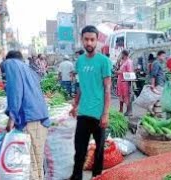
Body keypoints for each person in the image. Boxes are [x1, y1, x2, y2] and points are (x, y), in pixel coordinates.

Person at [69, 25, 112, 180]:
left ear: (96, 40)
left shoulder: (104, 61)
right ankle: (76, 177)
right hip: (83, 113)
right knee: (79, 151)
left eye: (92, 39)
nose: (89, 42)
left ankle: (97, 177)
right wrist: (75, 105)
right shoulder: (79, 61)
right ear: (82, 40)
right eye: (86, 39)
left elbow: (107, 89)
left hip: (99, 115)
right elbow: (81, 86)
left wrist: (106, 114)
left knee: (99, 153)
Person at [2, 50, 50, 180]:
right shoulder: (28, 69)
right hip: (41, 120)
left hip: (31, 119)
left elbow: (15, 91)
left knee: (31, 165)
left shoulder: (11, 64)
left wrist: (11, 118)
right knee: (37, 164)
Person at [116, 49, 133, 115]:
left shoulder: (128, 62)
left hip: (125, 82)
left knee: (126, 96)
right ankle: (121, 109)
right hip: (121, 81)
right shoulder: (123, 61)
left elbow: (129, 73)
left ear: (124, 54)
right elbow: (120, 68)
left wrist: (121, 72)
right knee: (121, 96)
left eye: (121, 54)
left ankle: (129, 111)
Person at [150, 50, 167, 117]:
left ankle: (157, 114)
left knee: (158, 100)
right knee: (157, 100)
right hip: (158, 84)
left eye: (164, 56)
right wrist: (152, 85)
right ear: (158, 56)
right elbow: (153, 75)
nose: (164, 58)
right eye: (163, 56)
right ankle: (157, 114)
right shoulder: (156, 63)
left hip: (161, 83)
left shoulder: (159, 63)